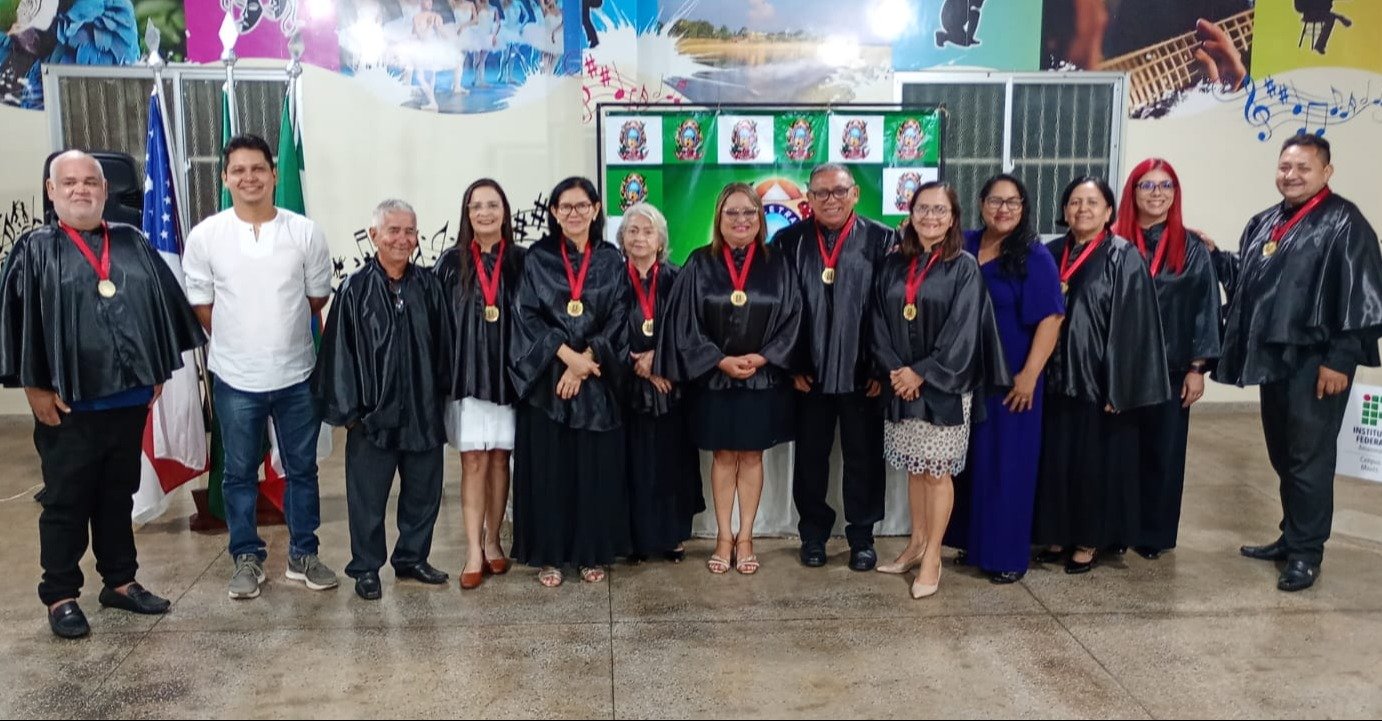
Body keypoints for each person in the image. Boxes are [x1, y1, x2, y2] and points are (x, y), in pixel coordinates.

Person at [0, 150, 204, 638]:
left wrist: (155, 369)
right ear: (51, 191)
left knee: (117, 496)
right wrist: (34, 388)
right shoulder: (34, 249)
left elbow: (158, 310)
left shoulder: (131, 242)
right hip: (68, 406)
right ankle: (61, 595)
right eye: (69, 182)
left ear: (105, 190)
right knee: (67, 501)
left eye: (90, 181)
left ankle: (120, 581)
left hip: (128, 402)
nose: (81, 189)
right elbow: (19, 326)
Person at [1217, 135, 1382, 592]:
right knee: (1283, 453)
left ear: (1326, 172)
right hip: (1276, 358)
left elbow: (1364, 297)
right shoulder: (1268, 221)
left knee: (1309, 457)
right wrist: (1212, 256)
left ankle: (1307, 553)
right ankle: (1291, 536)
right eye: (1285, 167)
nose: (1291, 175)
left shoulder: (1345, 222)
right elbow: (1250, 278)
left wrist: (1340, 359)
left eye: (1303, 168)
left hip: (1317, 363)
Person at [183, 134, 338, 600]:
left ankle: (304, 554)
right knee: (237, 474)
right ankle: (246, 558)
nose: (248, 177)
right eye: (238, 170)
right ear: (225, 178)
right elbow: (201, 303)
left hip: (296, 376)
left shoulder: (304, 232)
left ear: (273, 174)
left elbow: (316, 297)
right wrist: (243, 340)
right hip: (235, 379)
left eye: (257, 169)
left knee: (302, 470)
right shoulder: (206, 235)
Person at [869, 181, 1009, 598]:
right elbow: (877, 320)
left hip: (944, 385)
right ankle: (915, 543)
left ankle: (933, 556)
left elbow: (963, 331)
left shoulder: (964, 267)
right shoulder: (893, 263)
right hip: (901, 383)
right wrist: (897, 370)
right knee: (916, 468)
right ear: (910, 215)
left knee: (936, 472)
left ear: (952, 218)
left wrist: (921, 373)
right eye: (923, 209)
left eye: (939, 210)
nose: (930, 217)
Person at [658, 182, 802, 576]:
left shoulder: (779, 264)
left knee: (752, 455)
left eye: (749, 212)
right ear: (719, 218)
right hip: (715, 379)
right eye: (732, 212)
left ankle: (747, 538)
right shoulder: (699, 263)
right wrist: (719, 360)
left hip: (761, 378)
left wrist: (763, 356)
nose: (741, 220)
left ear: (761, 218)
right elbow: (684, 322)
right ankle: (724, 537)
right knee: (723, 456)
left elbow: (794, 317)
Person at [313, 199, 453, 600]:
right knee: (367, 499)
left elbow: (445, 346)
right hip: (371, 417)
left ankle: (412, 558)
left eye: (409, 231)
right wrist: (351, 414)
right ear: (374, 235)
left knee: (424, 493)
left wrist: (441, 398)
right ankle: (366, 567)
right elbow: (338, 354)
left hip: (422, 411)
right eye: (393, 230)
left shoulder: (429, 286)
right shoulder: (354, 289)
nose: (402, 239)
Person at [1032, 176, 1171, 574]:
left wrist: (1120, 386)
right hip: (1054, 379)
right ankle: (1059, 532)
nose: (1082, 209)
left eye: (1092, 202)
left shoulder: (1123, 256)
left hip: (1098, 382)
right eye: (1075, 202)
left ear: (1109, 211)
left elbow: (1135, 327)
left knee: (1096, 464)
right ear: (1064, 210)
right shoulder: (1050, 253)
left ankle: (1089, 539)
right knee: (1057, 460)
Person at [509, 176, 631, 588]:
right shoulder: (538, 258)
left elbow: (620, 317)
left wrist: (587, 361)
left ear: (596, 210)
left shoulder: (611, 259)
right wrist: (567, 357)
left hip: (595, 380)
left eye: (582, 205)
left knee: (592, 472)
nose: (574, 213)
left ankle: (590, 553)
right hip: (549, 380)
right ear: (554, 213)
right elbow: (526, 316)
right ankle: (550, 555)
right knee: (550, 471)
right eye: (565, 206)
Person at [945, 174, 1065, 584]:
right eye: (995, 201)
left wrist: (1029, 375)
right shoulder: (965, 243)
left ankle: (1006, 555)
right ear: (981, 204)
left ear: (1024, 208)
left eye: (1013, 202)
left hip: (1012, 377)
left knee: (1008, 464)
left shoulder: (1033, 255)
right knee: (971, 461)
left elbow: (1051, 318)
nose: (1003, 209)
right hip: (966, 373)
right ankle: (972, 542)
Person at [772, 163, 892, 571]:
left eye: (839, 191)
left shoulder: (882, 239)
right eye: (821, 193)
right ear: (808, 198)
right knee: (811, 459)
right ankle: (813, 535)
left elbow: (888, 308)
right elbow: (782, 310)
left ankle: (862, 537)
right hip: (809, 374)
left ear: (855, 193)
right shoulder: (788, 241)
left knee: (864, 457)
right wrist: (792, 365)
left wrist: (880, 368)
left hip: (863, 373)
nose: (831, 200)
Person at [1112, 158, 1221, 560]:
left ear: (1175, 194)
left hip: (1171, 369)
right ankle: (1114, 528)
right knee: (1119, 451)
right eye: (1147, 185)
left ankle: (1152, 534)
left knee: (1163, 452)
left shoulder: (1192, 248)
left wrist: (1197, 368)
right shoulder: (1114, 242)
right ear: (1132, 192)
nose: (1157, 193)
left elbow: (1206, 308)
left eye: (1165, 186)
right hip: (1119, 368)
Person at [434, 178, 527, 590]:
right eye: (477, 206)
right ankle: (473, 550)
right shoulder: (450, 264)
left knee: (500, 459)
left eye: (493, 205)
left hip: (508, 378)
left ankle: (493, 541)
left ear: (505, 212)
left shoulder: (522, 261)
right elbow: (437, 325)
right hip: (467, 377)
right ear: (467, 214)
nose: (485, 213)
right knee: (473, 461)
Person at [618, 202, 704, 563]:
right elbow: (602, 327)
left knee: (671, 462)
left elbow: (691, 329)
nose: (639, 238)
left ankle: (672, 537)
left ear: (660, 240)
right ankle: (633, 539)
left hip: (670, 385)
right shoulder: (611, 279)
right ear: (622, 238)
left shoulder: (678, 277)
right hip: (626, 387)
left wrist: (659, 360)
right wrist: (636, 363)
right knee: (632, 463)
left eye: (647, 231)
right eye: (632, 231)